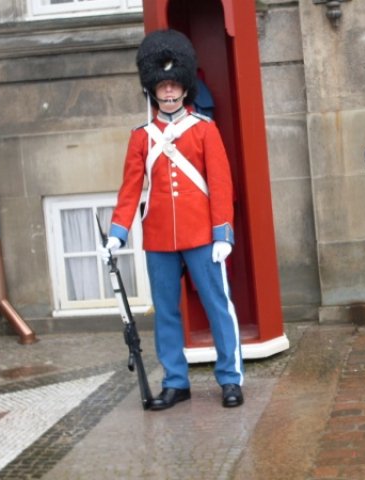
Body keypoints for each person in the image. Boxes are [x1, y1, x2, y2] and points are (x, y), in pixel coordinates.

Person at [101, 29, 244, 410]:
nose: (167, 93)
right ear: (152, 89)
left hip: (201, 235)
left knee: (217, 306)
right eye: (161, 86)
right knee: (166, 312)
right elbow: (130, 190)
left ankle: (230, 378)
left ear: (184, 88)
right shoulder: (141, 137)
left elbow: (220, 183)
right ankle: (176, 381)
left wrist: (222, 234)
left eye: (173, 86)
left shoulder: (204, 130)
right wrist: (117, 234)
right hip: (160, 238)